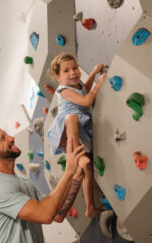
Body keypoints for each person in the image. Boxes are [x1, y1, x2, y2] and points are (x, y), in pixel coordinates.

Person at [0, 124, 86, 243]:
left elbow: (57, 214)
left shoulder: (24, 182)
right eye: (3, 138)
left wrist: (76, 178)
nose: (11, 138)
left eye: (6, 134)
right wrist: (68, 172)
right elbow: (45, 215)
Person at [47, 53, 106, 217]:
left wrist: (94, 73)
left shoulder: (76, 83)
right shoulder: (64, 90)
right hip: (68, 131)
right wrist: (100, 82)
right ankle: (75, 156)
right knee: (71, 118)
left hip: (82, 128)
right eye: (66, 71)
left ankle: (90, 207)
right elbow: (87, 101)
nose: (73, 72)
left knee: (88, 169)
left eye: (75, 68)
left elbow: (84, 90)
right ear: (58, 77)